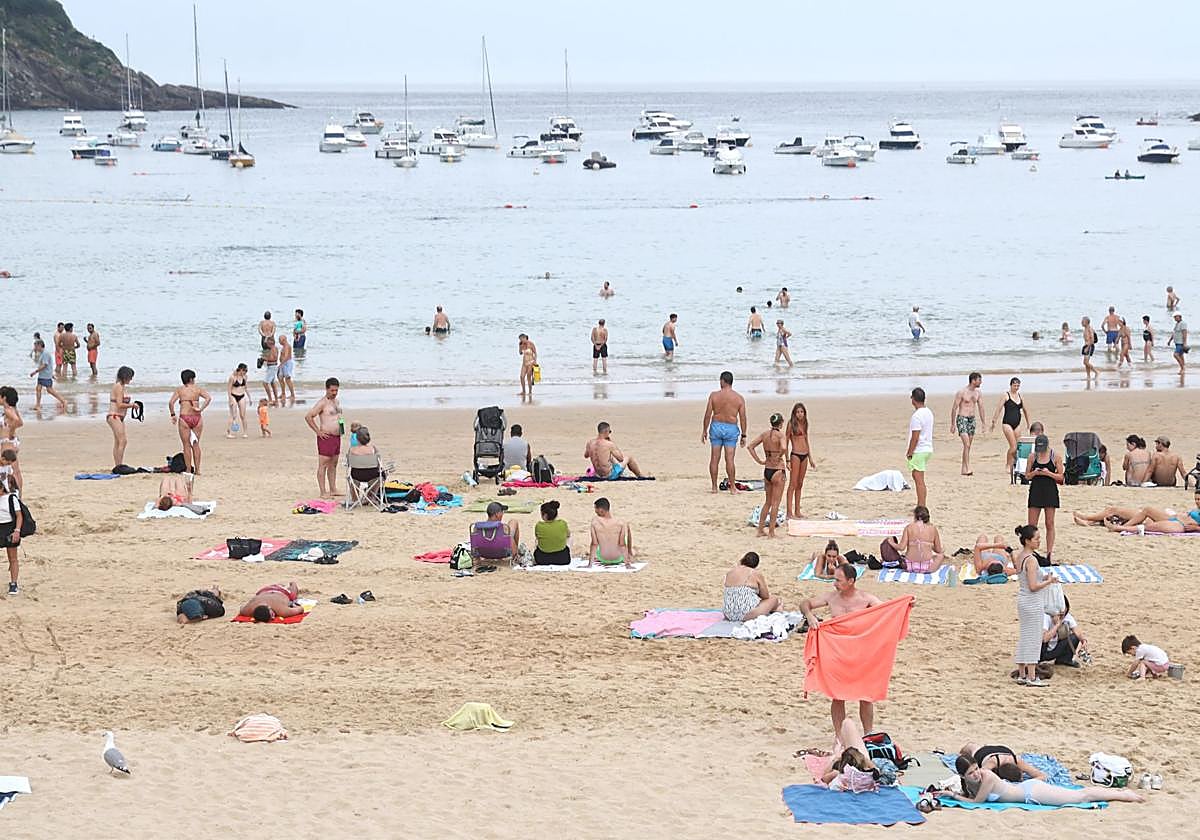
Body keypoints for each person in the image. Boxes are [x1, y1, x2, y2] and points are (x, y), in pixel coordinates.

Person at [799, 564, 883, 731]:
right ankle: (839, 736)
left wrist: (907, 604)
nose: (834, 583)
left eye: (838, 580)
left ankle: (868, 734)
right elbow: (805, 603)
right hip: (837, 651)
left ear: (851, 581)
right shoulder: (832, 597)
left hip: (860, 652)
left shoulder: (866, 599)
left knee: (865, 696)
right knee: (837, 696)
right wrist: (809, 616)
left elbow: (888, 609)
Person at [950, 757, 1143, 806]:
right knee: (1079, 795)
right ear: (963, 776)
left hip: (1032, 792)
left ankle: (1124, 795)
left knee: (1080, 796)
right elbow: (970, 794)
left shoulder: (988, 776)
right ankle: (1119, 794)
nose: (976, 774)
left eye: (976, 769)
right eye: (971, 773)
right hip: (1027, 791)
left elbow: (977, 802)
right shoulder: (967, 781)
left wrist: (953, 796)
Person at [1013, 524, 1056, 687]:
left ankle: (1022, 673)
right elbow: (1033, 586)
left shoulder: (1020, 556)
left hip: (1023, 601)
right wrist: (1048, 581)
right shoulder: (1031, 559)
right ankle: (1031, 676)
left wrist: (1044, 578)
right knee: (1033, 638)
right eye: (1036, 539)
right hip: (1032, 601)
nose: (1039, 541)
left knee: (1025, 636)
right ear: (1027, 540)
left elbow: (1027, 578)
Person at [701, 372, 747, 494]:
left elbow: (707, 414)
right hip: (731, 428)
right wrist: (744, 434)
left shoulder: (714, 396)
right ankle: (733, 488)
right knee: (730, 459)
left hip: (716, 426)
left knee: (714, 458)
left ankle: (714, 487)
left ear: (722, 381)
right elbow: (743, 418)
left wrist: (704, 430)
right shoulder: (739, 398)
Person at [747, 412, 787, 538]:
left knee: (767, 502)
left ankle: (760, 529)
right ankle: (771, 532)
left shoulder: (764, 435)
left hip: (767, 469)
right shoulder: (781, 435)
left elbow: (750, 446)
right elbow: (784, 447)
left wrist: (759, 461)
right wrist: (780, 455)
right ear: (781, 423)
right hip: (777, 469)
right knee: (776, 503)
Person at [1026, 434, 1063, 560]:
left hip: (1050, 490)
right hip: (1036, 489)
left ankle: (1049, 553)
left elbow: (1061, 477)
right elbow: (1027, 476)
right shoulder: (1032, 457)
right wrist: (1035, 473)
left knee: (1049, 523)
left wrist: (1048, 473)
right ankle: (1030, 552)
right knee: (1032, 525)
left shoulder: (1055, 456)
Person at [168, 369, 212, 474]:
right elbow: (208, 398)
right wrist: (201, 409)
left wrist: (173, 415)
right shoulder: (198, 389)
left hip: (185, 418)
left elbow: (171, 403)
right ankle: (197, 470)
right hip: (197, 418)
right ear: (191, 379)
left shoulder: (180, 390)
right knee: (195, 444)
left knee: (186, 445)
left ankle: (188, 469)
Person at [305, 377, 343, 498]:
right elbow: (309, 417)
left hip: (337, 437)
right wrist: (318, 431)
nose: (334, 393)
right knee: (323, 464)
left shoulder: (336, 402)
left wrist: (341, 428)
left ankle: (333, 489)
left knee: (334, 464)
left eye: (336, 390)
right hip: (326, 437)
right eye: (332, 390)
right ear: (327, 389)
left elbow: (337, 417)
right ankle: (323, 491)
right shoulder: (322, 403)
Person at [722, 551, 782, 621]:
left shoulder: (729, 573)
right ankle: (777, 611)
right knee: (774, 599)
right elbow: (765, 596)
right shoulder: (754, 573)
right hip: (746, 614)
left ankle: (775, 610)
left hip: (728, 613)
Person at [887, 505, 947, 573]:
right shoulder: (933, 529)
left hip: (910, 566)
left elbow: (901, 547)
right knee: (941, 556)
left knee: (904, 555)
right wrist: (931, 546)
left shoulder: (909, 527)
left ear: (916, 516)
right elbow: (938, 550)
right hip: (927, 567)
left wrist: (891, 542)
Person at [990, 377, 1030, 474]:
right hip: (1007, 423)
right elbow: (998, 409)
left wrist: (1028, 423)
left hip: (1017, 424)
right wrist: (994, 422)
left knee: (1019, 447)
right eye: (1014, 385)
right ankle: (1008, 465)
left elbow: (1025, 410)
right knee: (1013, 446)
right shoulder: (1006, 395)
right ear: (1011, 385)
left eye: (1018, 386)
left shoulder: (1020, 396)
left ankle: (1015, 465)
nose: (1016, 387)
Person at [950, 372, 985, 476]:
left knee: (968, 446)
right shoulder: (962, 392)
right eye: (979, 380)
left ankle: (963, 468)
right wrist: (952, 424)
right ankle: (967, 468)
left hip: (972, 419)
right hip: (962, 418)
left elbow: (981, 408)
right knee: (967, 444)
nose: (981, 382)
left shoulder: (978, 393)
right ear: (973, 380)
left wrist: (983, 423)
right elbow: (954, 408)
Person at [786, 402, 816, 519]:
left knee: (800, 483)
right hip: (795, 455)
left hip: (805, 455)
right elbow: (786, 441)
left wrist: (810, 457)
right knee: (792, 484)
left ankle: (797, 511)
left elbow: (806, 439)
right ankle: (789, 512)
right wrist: (787, 460)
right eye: (798, 412)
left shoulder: (805, 423)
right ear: (794, 413)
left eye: (802, 412)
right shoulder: (791, 424)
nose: (800, 414)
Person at [905, 387, 933, 509]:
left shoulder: (916, 416)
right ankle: (921, 504)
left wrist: (910, 452)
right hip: (927, 448)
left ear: (913, 399)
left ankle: (921, 505)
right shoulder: (928, 412)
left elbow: (915, 437)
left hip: (919, 450)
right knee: (919, 479)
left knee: (919, 480)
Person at [587, 497, 634, 568]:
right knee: (625, 531)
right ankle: (630, 553)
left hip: (602, 558)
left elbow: (594, 544)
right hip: (618, 558)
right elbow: (622, 545)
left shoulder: (594, 522)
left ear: (601, 510)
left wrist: (589, 564)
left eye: (596, 509)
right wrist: (627, 564)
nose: (595, 511)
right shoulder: (620, 523)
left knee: (600, 539)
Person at [1041, 597, 1088, 667]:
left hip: (1055, 649)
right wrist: (1057, 625)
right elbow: (1044, 639)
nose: (1062, 613)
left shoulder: (1066, 616)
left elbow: (1077, 631)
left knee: (1074, 637)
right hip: (1042, 651)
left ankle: (1064, 660)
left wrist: (1083, 640)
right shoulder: (1046, 617)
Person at [957, 744, 1046, 781]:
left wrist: (1024, 784)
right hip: (984, 753)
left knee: (973, 745)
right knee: (971, 747)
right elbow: (981, 774)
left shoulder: (1017, 761)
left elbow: (1042, 776)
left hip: (1004, 750)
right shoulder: (991, 763)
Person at [107, 366, 136, 468]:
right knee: (123, 441)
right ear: (125, 376)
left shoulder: (121, 387)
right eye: (130, 377)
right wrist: (132, 405)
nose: (131, 379)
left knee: (118, 441)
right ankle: (119, 465)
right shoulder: (118, 387)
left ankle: (118, 465)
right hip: (114, 416)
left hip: (119, 417)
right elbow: (119, 404)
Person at [0, 474, 24, 596]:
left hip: (10, 528)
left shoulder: (11, 498)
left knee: (12, 558)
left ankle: (14, 583)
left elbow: (19, 515)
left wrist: (17, 531)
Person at [239, 582, 305, 623]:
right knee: (290, 596)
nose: (274, 617)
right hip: (264, 590)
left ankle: (293, 584)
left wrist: (294, 606)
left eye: (272, 615)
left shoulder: (282, 611)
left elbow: (301, 609)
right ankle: (283, 584)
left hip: (281, 591)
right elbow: (241, 607)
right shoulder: (247, 610)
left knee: (293, 595)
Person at [29, 339, 66, 411]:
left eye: (36, 346)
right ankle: (38, 405)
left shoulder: (45, 353)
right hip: (43, 375)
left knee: (49, 390)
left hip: (45, 375)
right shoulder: (42, 353)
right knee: (38, 389)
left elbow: (45, 365)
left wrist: (35, 372)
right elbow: (48, 364)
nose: (35, 348)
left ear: (40, 346)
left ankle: (63, 401)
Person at [533, 500, 571, 565]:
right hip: (563, 559)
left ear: (545, 515)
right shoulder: (563, 523)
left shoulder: (539, 525)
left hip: (542, 559)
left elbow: (537, 538)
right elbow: (568, 535)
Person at [227, 363, 250, 438]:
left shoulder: (245, 377)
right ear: (240, 369)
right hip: (233, 396)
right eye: (244, 370)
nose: (245, 372)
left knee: (243, 415)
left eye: (246, 371)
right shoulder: (232, 377)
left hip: (242, 396)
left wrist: (249, 397)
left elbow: (245, 388)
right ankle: (229, 433)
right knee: (233, 415)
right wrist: (230, 399)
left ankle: (245, 432)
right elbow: (229, 389)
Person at [260, 336, 280, 406]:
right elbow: (272, 357)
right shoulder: (273, 348)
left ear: (271, 342)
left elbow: (274, 358)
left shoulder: (274, 348)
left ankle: (270, 399)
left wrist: (264, 359)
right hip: (271, 367)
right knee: (272, 383)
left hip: (272, 367)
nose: (266, 344)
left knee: (265, 383)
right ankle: (276, 399)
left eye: (267, 342)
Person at [277, 335, 296, 403]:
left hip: (287, 364)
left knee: (288, 379)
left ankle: (292, 394)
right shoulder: (283, 346)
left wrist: (281, 364)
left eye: (280, 340)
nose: (279, 342)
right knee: (280, 378)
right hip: (283, 363)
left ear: (284, 340)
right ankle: (283, 393)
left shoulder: (288, 346)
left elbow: (286, 356)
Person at [518, 333, 538, 397]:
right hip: (524, 363)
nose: (521, 340)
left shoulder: (531, 344)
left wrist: (535, 361)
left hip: (531, 362)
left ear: (525, 338)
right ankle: (523, 391)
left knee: (528, 378)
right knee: (521, 377)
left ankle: (530, 392)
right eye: (520, 339)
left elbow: (535, 353)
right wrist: (520, 347)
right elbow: (520, 353)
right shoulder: (521, 344)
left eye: (521, 339)